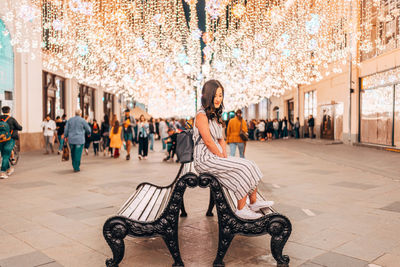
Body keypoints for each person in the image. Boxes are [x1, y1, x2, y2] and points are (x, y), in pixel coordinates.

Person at [193, 80, 274, 220]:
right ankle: (241, 209)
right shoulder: (201, 115)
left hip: (215, 156)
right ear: (208, 95)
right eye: (215, 95)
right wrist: (221, 156)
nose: (218, 99)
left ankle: (254, 202)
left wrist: (224, 154)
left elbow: (220, 139)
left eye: (220, 95)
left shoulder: (215, 115)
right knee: (242, 168)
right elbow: (208, 141)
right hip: (205, 159)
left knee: (250, 164)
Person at [0, 106, 22, 179]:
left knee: (4, 155)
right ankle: (2, 172)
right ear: (9, 111)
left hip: (1, 139)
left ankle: (9, 169)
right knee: (6, 155)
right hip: (9, 139)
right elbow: (20, 128)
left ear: (2, 111)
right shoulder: (11, 119)